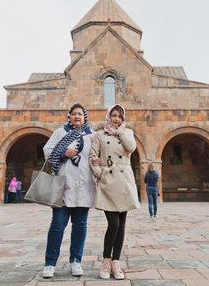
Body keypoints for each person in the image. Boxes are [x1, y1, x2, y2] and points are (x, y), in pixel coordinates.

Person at [41, 103, 98, 279]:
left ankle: (75, 261)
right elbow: (47, 150)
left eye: (80, 114)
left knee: (80, 226)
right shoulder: (60, 133)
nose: (77, 117)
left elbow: (99, 154)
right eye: (74, 114)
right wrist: (64, 152)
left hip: (84, 186)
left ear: (85, 116)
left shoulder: (92, 136)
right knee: (57, 226)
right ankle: (50, 263)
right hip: (63, 187)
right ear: (69, 116)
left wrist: (98, 160)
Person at [89, 104, 140, 280]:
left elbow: (131, 147)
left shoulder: (127, 133)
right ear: (108, 116)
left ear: (123, 118)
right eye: (114, 115)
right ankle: (105, 260)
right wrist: (100, 174)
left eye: (119, 116)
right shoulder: (100, 136)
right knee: (114, 224)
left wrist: (119, 132)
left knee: (122, 225)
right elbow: (92, 157)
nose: (116, 119)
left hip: (124, 181)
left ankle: (116, 262)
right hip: (108, 181)